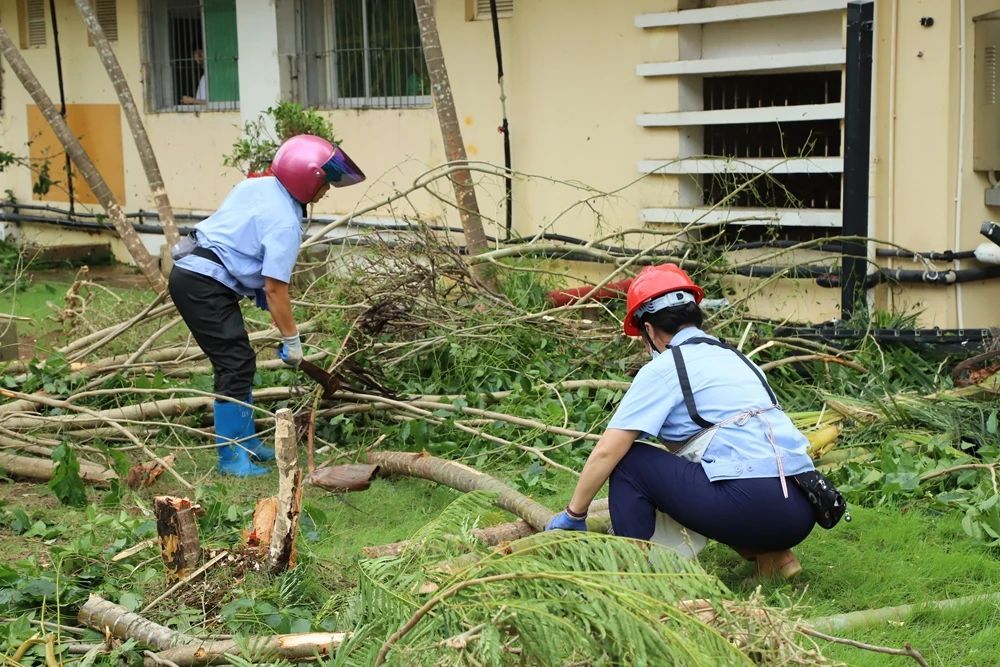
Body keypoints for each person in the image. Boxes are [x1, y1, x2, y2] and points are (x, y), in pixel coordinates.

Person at [545, 264, 817, 578]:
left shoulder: (665, 367)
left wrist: (574, 513)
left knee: (629, 461)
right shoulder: (738, 358)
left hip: (750, 505)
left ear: (648, 330)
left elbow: (607, 451)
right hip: (802, 505)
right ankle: (777, 559)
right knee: (718, 467)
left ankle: (636, 574)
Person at [168, 135, 366, 477]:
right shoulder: (286, 223)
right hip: (203, 283)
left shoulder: (257, 186)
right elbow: (275, 288)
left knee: (240, 359)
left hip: (196, 273)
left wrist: (261, 294)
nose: (326, 192)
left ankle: (246, 441)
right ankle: (232, 457)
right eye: (324, 184)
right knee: (234, 363)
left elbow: (240, 239)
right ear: (307, 179)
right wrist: (292, 340)